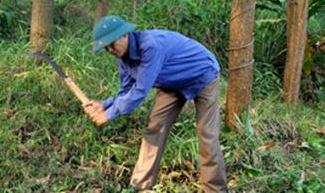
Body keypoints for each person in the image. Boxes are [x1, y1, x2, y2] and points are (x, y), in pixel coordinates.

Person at [84, 15, 227, 193]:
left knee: (207, 134)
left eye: (112, 44)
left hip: (202, 75)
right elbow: (125, 92)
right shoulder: (124, 59)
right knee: (155, 128)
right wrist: (104, 105)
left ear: (124, 35)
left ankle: (215, 189)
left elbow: (140, 91)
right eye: (106, 48)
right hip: (172, 83)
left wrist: (109, 114)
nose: (110, 50)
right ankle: (140, 187)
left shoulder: (150, 46)